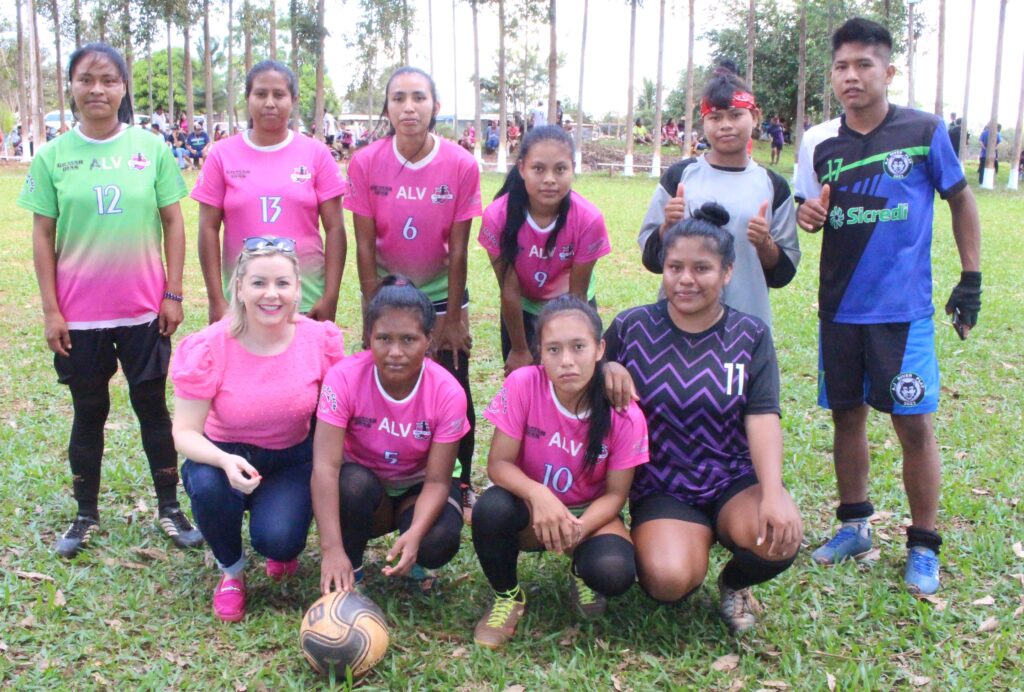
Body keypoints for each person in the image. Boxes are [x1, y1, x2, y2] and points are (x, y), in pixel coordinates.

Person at [795, 18, 981, 596]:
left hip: (903, 314)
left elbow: (960, 198)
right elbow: (808, 208)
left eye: (863, 65)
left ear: (888, 71)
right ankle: (855, 525)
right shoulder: (819, 142)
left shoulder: (923, 130)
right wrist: (808, 216)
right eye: (841, 67)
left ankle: (923, 546)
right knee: (846, 416)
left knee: (913, 426)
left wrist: (970, 277)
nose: (851, 76)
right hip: (839, 309)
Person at [18, 42, 202, 559]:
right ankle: (85, 514)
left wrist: (173, 291)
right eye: (85, 79)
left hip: (145, 312)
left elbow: (172, 221)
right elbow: (42, 236)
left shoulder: (152, 149)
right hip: (80, 317)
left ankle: (169, 508)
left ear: (123, 88)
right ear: (72, 87)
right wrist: (52, 309)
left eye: (108, 79)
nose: (97, 89)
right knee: (88, 411)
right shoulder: (53, 156)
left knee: (152, 410)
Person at [605, 203, 802, 633]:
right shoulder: (631, 328)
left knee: (780, 536)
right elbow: (583, 377)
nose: (686, 279)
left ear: (727, 272)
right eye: (675, 267)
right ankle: (686, 544)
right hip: (663, 482)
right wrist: (607, 368)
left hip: (732, 476)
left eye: (702, 268)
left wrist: (771, 492)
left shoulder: (750, 335)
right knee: (667, 580)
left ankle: (734, 584)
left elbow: (763, 416)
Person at [172, 237, 344, 621]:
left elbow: (336, 417)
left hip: (290, 460)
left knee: (279, 542)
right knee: (208, 485)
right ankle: (231, 571)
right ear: (239, 287)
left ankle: (279, 545)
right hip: (222, 456)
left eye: (282, 283)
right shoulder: (209, 346)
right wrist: (224, 459)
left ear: (298, 289)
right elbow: (184, 432)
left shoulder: (320, 340)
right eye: (259, 283)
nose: (271, 294)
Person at [471, 296, 649, 648]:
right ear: (539, 353)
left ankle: (581, 568)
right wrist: (539, 495)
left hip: (589, 513)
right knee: (490, 510)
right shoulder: (523, 384)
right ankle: (507, 595)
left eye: (578, 347)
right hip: (531, 509)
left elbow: (616, 495)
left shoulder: (625, 414)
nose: (566, 361)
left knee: (614, 571)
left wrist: (576, 531)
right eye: (553, 350)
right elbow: (499, 464)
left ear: (599, 349)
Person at [345, 66, 482, 520]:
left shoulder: (461, 163)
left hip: (443, 297)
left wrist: (454, 317)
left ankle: (459, 480)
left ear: (435, 107)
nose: (409, 107)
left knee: (454, 387)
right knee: (390, 383)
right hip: (389, 298)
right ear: (386, 108)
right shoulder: (365, 162)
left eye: (419, 97)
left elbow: (459, 248)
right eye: (399, 98)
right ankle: (389, 475)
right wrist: (372, 312)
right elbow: (364, 244)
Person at [312, 276, 468, 594]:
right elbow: (325, 468)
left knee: (437, 541)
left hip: (420, 486)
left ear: (429, 339)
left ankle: (412, 551)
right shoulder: (343, 379)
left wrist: (416, 533)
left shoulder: (448, 391)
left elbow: (438, 481)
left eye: (408, 340)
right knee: (349, 485)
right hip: (369, 489)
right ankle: (349, 566)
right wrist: (330, 549)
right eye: (384, 339)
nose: (395, 351)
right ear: (369, 338)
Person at [637, 73, 800, 330]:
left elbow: (784, 274)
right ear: (704, 122)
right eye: (715, 117)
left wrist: (765, 243)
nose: (725, 125)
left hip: (747, 325)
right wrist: (667, 227)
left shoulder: (773, 186)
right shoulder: (679, 177)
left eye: (736, 115)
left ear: (755, 117)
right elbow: (651, 260)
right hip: (679, 323)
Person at [193, 60, 347, 325]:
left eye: (279, 94)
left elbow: (335, 229)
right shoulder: (221, 154)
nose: (270, 103)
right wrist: (217, 300)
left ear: (293, 99)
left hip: (305, 301)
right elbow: (208, 229)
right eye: (261, 94)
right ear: (248, 98)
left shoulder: (316, 154)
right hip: (243, 302)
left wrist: (330, 296)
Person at [479, 125, 611, 374]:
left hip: (572, 304)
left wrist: (570, 347)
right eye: (538, 169)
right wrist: (519, 349)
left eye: (560, 169)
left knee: (573, 379)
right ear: (521, 169)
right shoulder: (497, 216)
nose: (549, 179)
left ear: (572, 168)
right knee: (524, 382)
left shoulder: (588, 219)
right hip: (522, 310)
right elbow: (508, 289)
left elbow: (577, 295)